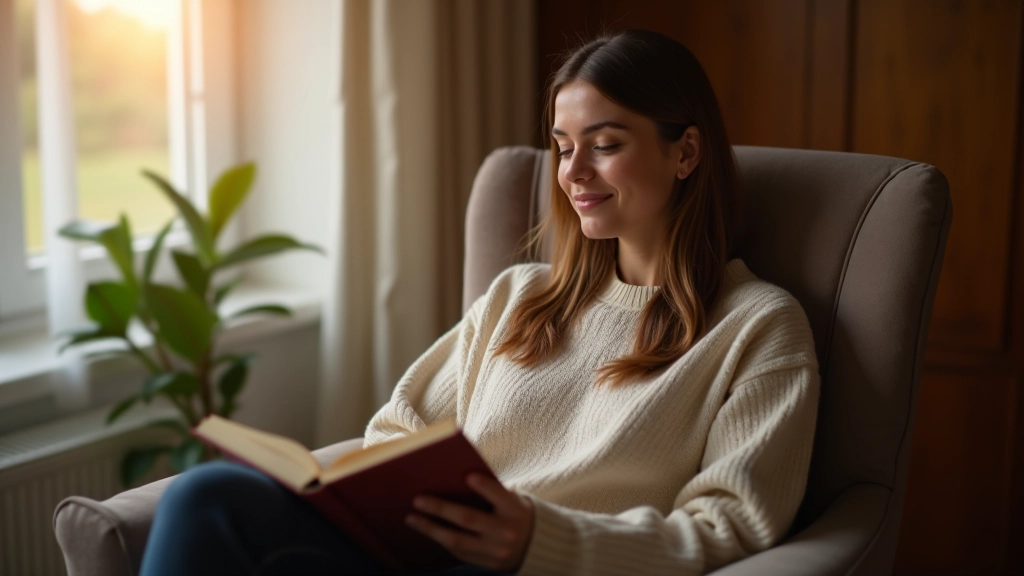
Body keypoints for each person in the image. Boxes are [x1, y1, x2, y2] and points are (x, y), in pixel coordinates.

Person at [139, 29, 819, 576]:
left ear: (686, 152)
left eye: (605, 145)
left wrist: (537, 541)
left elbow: (730, 526)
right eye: (562, 147)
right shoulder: (519, 296)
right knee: (206, 497)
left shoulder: (758, 327)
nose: (574, 173)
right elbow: (399, 431)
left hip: (544, 568)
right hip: (422, 553)